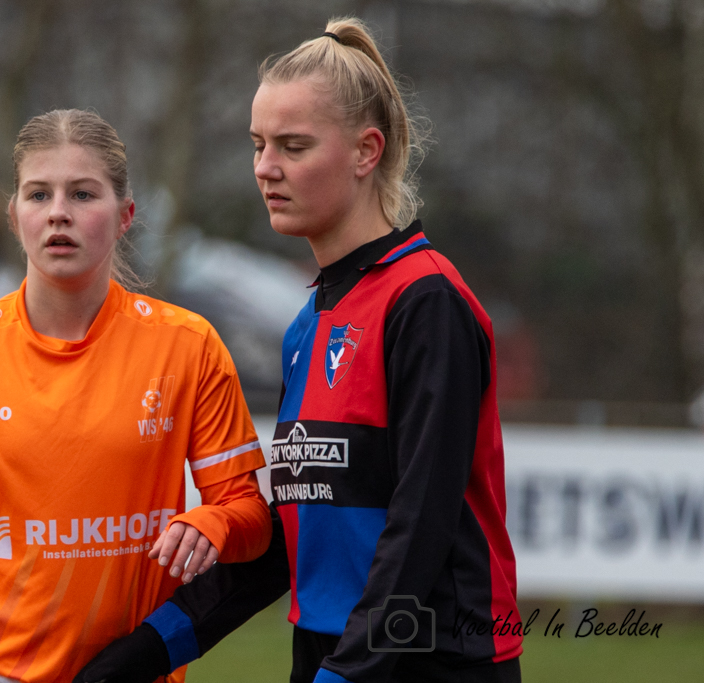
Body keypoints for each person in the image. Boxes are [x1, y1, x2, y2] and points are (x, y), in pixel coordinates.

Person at [75, 16, 523, 683]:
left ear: (366, 151)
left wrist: (346, 673)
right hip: (332, 653)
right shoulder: (307, 323)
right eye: (258, 145)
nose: (265, 168)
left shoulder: (426, 302)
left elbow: (420, 529)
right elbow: (291, 533)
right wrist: (138, 655)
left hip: (426, 661)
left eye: (293, 146)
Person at [0, 109, 272, 683]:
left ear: (126, 215)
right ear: (15, 216)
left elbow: (251, 518)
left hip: (132, 671)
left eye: (83, 194)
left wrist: (216, 522)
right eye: (39, 194)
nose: (59, 212)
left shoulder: (188, 347)